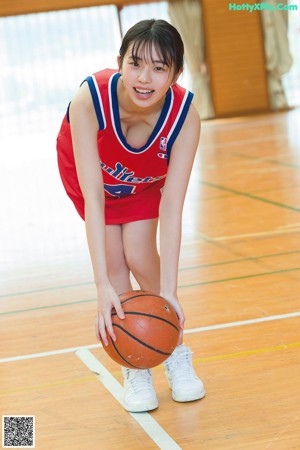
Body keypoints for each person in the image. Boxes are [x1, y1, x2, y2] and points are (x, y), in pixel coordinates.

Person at [57, 18, 205, 412]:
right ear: (119, 61)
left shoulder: (184, 116)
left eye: (159, 68)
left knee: (140, 253)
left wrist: (170, 292)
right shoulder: (89, 100)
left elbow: (172, 209)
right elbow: (95, 199)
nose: (145, 78)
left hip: (141, 181)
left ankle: (173, 348)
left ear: (176, 73)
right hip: (92, 179)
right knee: (116, 267)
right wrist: (101, 285)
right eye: (136, 63)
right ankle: (134, 363)